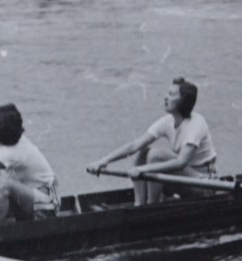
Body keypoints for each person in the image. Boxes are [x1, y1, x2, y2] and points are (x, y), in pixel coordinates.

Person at [87, 77, 218, 205]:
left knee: (155, 155)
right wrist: (103, 161)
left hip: (204, 184)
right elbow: (134, 146)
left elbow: (181, 162)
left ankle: (151, 206)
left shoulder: (196, 123)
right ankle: (139, 204)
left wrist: (143, 169)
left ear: (183, 100)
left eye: (171, 94)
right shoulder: (167, 121)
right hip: (184, 180)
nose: (165, 97)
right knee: (143, 152)